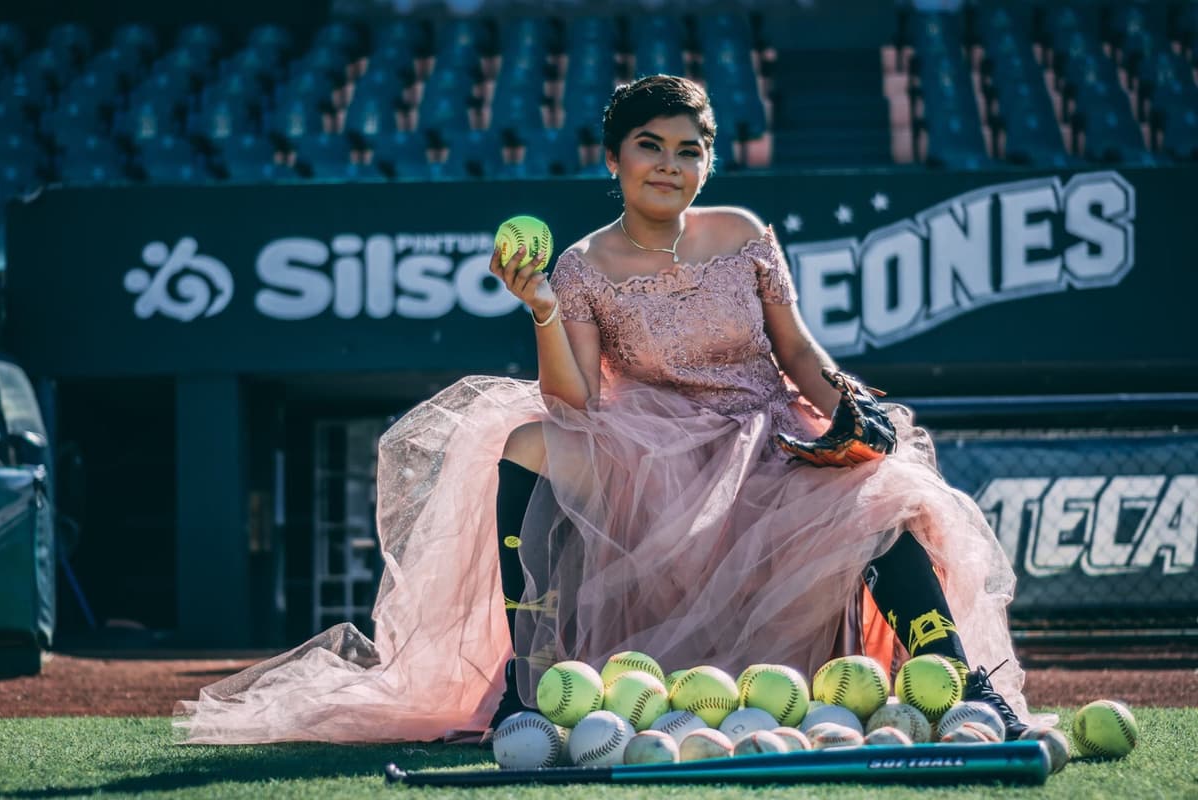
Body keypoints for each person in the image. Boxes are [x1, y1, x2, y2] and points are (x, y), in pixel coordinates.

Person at [176, 75, 1040, 745]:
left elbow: (799, 353)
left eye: (690, 149)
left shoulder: (742, 232)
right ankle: (530, 683)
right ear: (613, 160)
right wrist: (544, 307)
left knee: (886, 495)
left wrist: (849, 409)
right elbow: (576, 401)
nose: (671, 163)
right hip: (651, 446)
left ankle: (961, 685)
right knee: (526, 439)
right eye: (650, 145)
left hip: (765, 434)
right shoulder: (584, 266)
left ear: (709, 162)